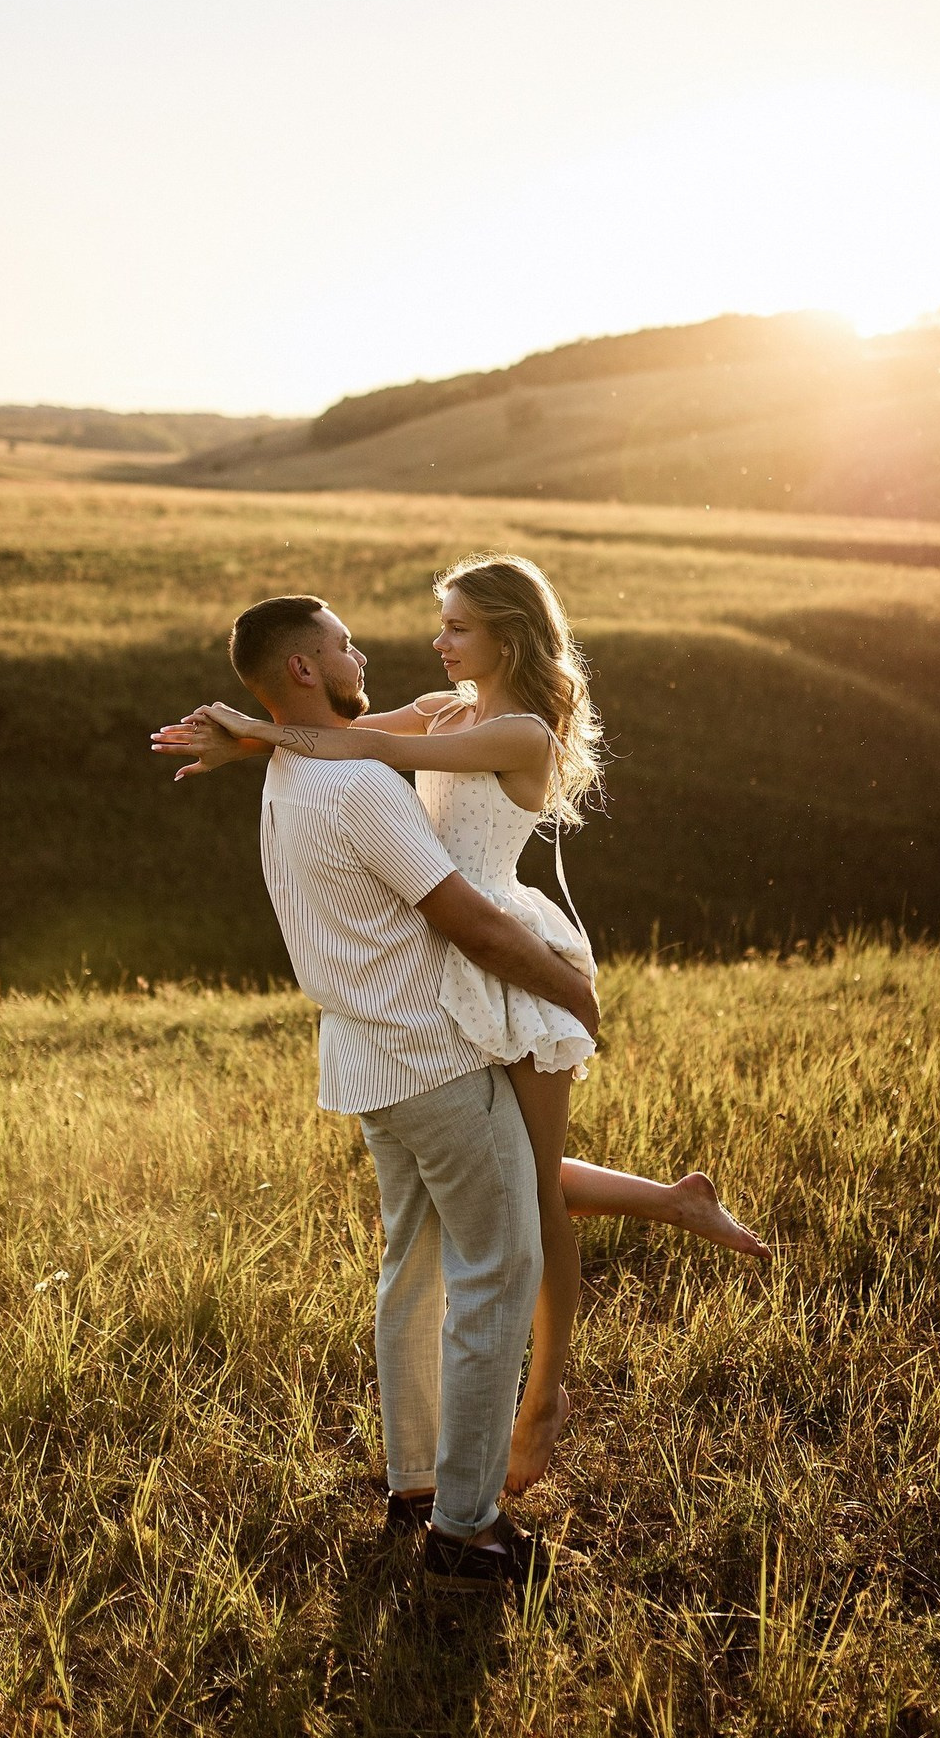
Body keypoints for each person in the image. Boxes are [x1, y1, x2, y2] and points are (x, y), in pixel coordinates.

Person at [154, 554, 770, 1497]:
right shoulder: (448, 710)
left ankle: (546, 1395)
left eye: (456, 627)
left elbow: (367, 751)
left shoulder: (519, 732)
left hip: (516, 955)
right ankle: (676, 1200)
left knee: (532, 1200)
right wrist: (259, 736)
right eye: (441, 624)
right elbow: (343, 735)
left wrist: (259, 735)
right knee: (514, 1177)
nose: (436, 642)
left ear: (508, 637)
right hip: (456, 958)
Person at [154, 593, 600, 1596]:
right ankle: (466, 1529)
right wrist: (572, 988)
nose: (367, 651)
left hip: (366, 1059)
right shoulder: (358, 789)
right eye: (343, 642)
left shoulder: (292, 769)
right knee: (496, 1268)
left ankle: (414, 1486)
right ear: (307, 670)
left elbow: (383, 732)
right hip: (430, 1056)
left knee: (416, 1265)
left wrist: (253, 730)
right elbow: (471, 926)